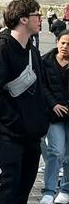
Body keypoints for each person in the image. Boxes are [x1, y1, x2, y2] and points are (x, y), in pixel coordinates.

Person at [0, 0, 50, 204]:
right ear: (23, 19)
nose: (41, 19)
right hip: (7, 135)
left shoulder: (32, 50)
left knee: (24, 187)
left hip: (31, 134)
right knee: (6, 185)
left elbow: (41, 88)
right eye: (37, 15)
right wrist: (10, 122)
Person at [41, 29, 69, 204]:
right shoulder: (45, 61)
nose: (65, 47)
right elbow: (42, 86)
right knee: (56, 151)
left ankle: (65, 189)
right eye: (63, 42)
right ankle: (49, 190)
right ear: (57, 42)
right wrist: (53, 104)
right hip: (54, 114)